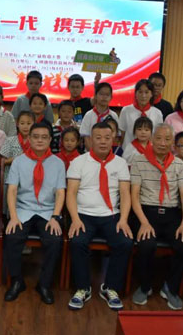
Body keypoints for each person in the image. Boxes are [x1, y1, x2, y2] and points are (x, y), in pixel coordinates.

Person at [66, 122, 133, 311]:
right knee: (77, 241)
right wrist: (75, 219)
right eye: (98, 138)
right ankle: (83, 288)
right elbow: (71, 193)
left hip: (111, 215)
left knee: (125, 242)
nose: (103, 142)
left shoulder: (120, 163)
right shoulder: (78, 162)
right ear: (89, 140)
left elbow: (125, 194)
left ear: (113, 140)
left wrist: (123, 220)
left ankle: (110, 287)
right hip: (83, 215)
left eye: (107, 138)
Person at [130, 124, 183, 310]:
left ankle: (170, 288)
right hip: (145, 212)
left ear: (172, 142)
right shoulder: (138, 161)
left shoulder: (178, 164)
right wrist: (144, 222)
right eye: (158, 138)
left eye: (167, 139)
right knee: (146, 244)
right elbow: (134, 195)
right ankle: (145, 286)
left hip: (171, 213)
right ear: (151, 139)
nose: (162, 143)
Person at [4, 122, 65, 304]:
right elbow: (12, 190)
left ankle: (44, 284)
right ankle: (17, 281)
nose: (40, 140)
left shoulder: (58, 163)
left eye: (44, 137)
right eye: (36, 137)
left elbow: (60, 192)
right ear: (29, 139)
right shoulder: (19, 161)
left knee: (54, 240)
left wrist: (55, 217)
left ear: (50, 140)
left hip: (48, 211)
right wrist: (13, 217)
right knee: (12, 236)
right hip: (23, 209)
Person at [118, 79, 163, 152]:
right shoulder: (126, 110)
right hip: (128, 152)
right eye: (140, 92)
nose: (143, 95)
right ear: (135, 93)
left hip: (149, 152)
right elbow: (122, 133)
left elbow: (157, 135)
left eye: (146, 92)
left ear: (151, 94)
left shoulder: (157, 113)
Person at [80, 82, 119, 151]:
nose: (104, 97)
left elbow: (116, 137)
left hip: (109, 153)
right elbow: (86, 138)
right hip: (90, 153)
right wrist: (94, 154)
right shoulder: (88, 115)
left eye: (107, 95)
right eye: (101, 94)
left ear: (111, 97)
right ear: (95, 96)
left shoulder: (114, 115)